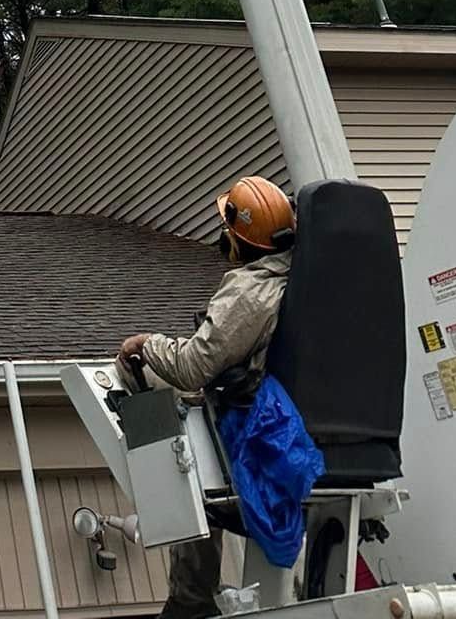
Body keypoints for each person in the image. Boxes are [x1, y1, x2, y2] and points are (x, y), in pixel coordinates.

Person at [116, 174, 296, 619]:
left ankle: (189, 601)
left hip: (250, 428)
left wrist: (146, 344)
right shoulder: (302, 278)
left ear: (237, 236)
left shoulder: (251, 289)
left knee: (184, 483)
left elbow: (194, 365)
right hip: (281, 422)